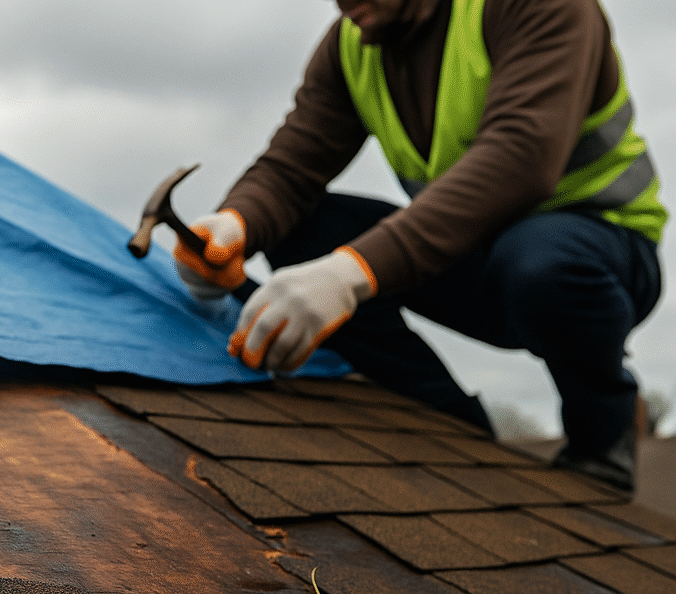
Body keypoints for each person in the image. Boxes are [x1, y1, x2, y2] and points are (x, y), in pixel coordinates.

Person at [173, 0, 666, 491]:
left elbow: (521, 153)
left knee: (539, 261)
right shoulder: (353, 42)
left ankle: (602, 445)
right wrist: (235, 222)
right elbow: (290, 167)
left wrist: (348, 275)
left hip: (599, 256)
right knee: (303, 231)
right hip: (474, 253)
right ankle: (452, 429)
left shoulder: (539, 7)